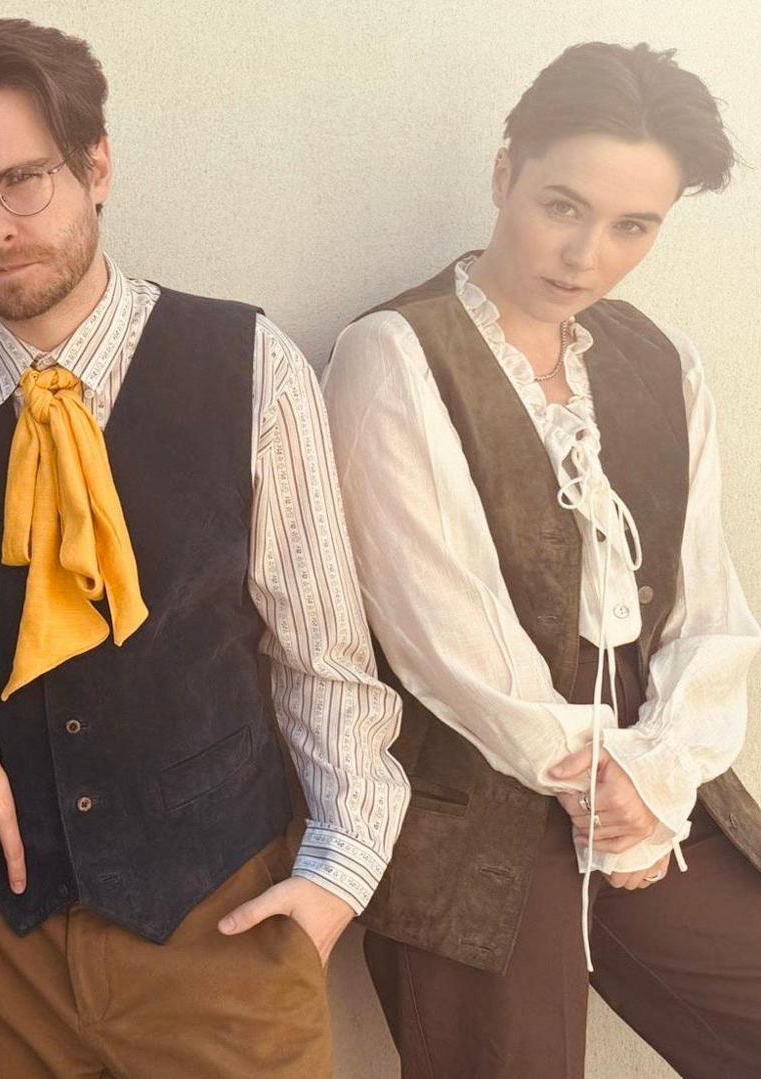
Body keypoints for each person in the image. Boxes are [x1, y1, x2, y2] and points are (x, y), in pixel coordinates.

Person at [0, 17, 408, 1077]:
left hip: (225, 924)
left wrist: (336, 879)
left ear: (97, 166)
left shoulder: (252, 369)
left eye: (23, 180)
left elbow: (325, 655)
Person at [323, 41, 761, 1078]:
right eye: (563, 205)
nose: (587, 254)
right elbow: (442, 631)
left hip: (647, 783)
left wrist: (656, 777)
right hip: (475, 808)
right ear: (505, 170)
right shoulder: (393, 353)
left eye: (632, 226)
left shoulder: (661, 360)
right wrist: (598, 783)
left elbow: (711, 607)